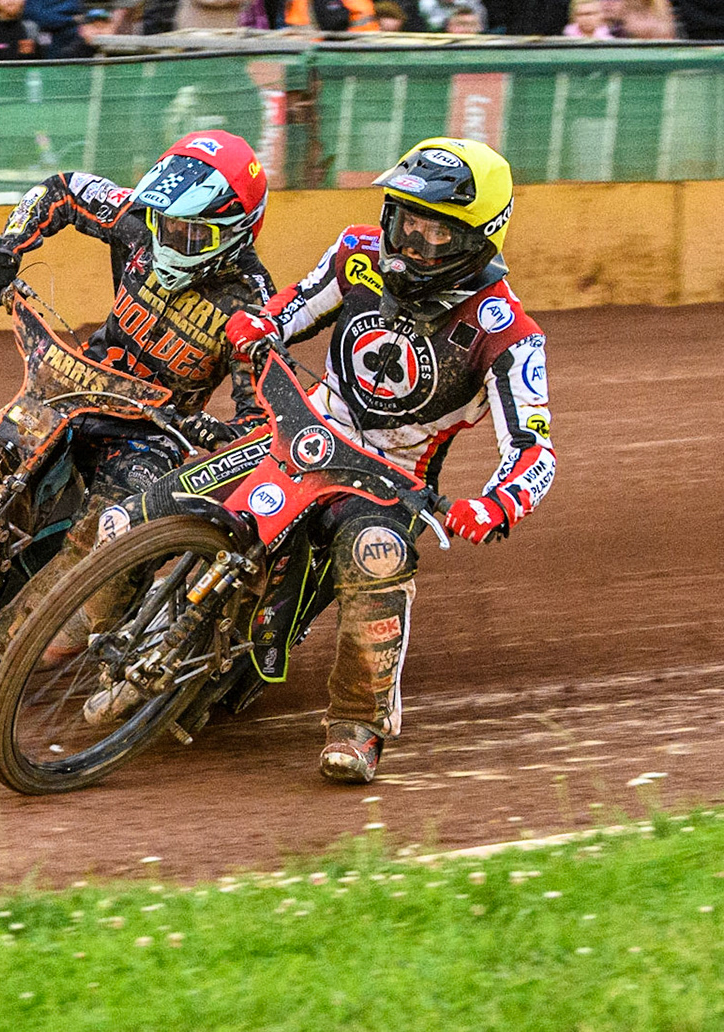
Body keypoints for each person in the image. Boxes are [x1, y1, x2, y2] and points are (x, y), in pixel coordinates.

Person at [101, 140, 561, 784]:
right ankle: (94, 632)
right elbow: (289, 311)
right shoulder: (357, 253)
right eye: (405, 221)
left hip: (383, 484)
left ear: (479, 242)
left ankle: (358, 724)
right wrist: (258, 327)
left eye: (436, 234)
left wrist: (494, 504)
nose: (411, 243)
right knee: (135, 513)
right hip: (304, 430)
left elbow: (534, 449)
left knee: (379, 554)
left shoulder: (505, 330)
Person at [0, 131, 275, 706]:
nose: (169, 237)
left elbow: (259, 418)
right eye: (165, 223)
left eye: (190, 232)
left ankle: (4, 653)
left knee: (111, 535)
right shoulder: (137, 220)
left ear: (234, 232)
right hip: (79, 384)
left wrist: (215, 432)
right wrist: (7, 247)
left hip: (154, 432)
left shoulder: (253, 304)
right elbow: (62, 189)